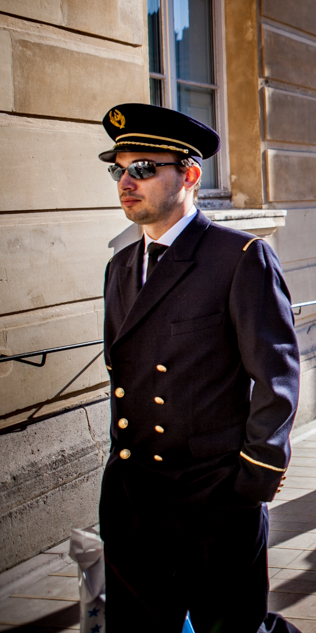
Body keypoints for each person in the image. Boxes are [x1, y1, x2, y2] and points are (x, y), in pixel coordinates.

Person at [97, 104, 301, 632]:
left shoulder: (238, 256)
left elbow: (276, 376)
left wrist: (255, 477)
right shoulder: (120, 266)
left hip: (214, 497)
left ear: (189, 175)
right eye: (119, 167)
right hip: (135, 494)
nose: (127, 180)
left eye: (143, 168)